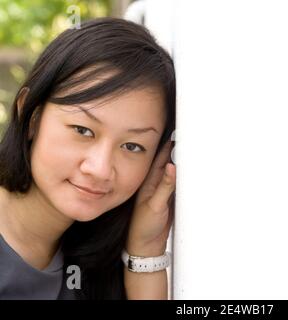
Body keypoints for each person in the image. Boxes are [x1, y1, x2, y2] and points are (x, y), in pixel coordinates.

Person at [0, 17, 176, 300]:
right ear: (31, 117)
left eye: (132, 146)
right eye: (83, 130)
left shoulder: (95, 262)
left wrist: (146, 251)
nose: (100, 168)